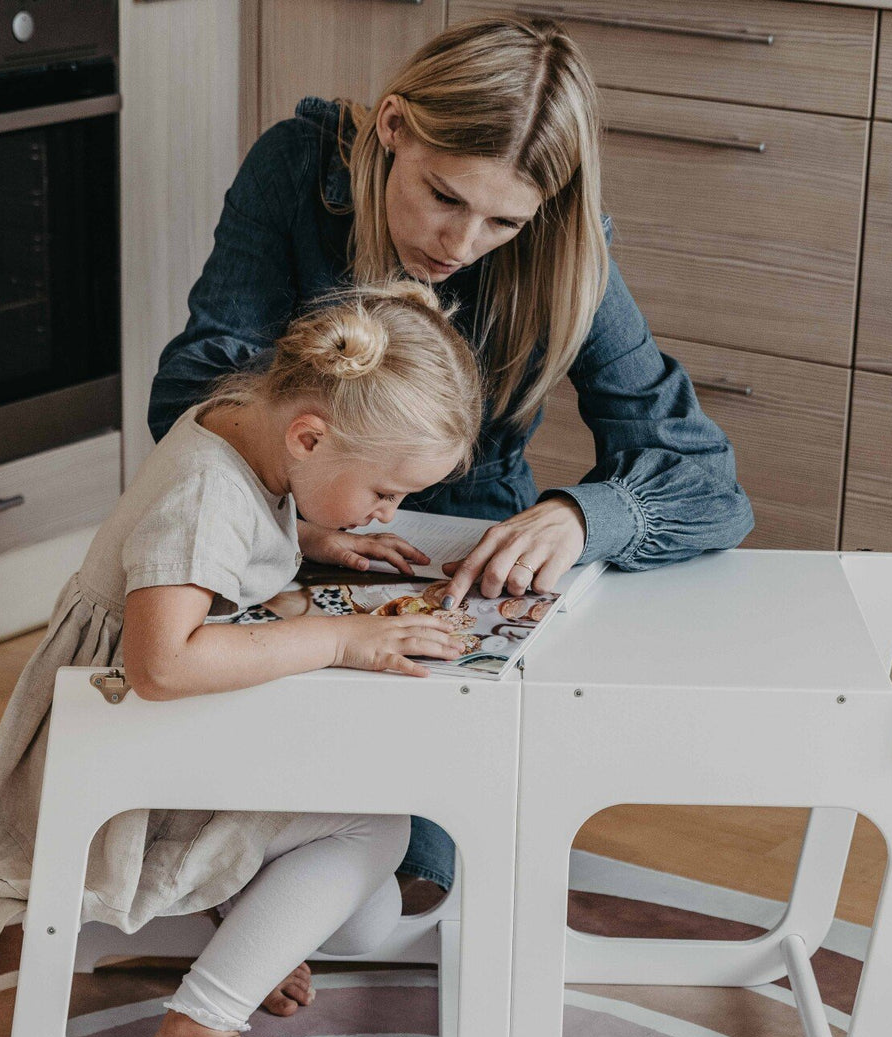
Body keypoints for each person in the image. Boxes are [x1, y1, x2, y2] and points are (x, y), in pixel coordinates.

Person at [149, 16, 755, 915]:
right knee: (248, 813)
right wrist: (300, 517)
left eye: (503, 220)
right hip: (281, 522)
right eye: (443, 196)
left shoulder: (565, 249)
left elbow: (707, 481)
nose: (461, 244)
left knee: (413, 875)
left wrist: (579, 517)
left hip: (463, 549)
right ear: (394, 125)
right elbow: (192, 394)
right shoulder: (298, 166)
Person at [0, 280, 482, 1037]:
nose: (387, 512)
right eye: (385, 492)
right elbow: (161, 665)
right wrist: (338, 640)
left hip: (161, 750)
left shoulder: (242, 422)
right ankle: (197, 1036)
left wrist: (313, 535)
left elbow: (235, 530)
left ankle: (240, 927)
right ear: (309, 436)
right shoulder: (202, 497)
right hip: (128, 777)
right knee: (377, 829)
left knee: (362, 923)